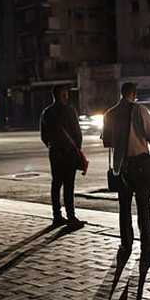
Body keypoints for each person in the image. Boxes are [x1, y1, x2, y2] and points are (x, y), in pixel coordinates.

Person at [102, 82, 150, 261]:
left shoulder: (110, 113)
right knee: (143, 206)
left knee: (124, 207)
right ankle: (147, 244)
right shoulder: (139, 110)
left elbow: (107, 141)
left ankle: (126, 244)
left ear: (122, 94)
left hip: (121, 167)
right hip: (140, 164)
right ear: (133, 94)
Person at [40, 85, 85, 229]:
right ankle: (71, 216)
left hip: (55, 153)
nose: (67, 97)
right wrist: (77, 148)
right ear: (60, 95)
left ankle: (57, 216)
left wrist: (52, 146)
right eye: (65, 94)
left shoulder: (47, 112)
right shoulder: (70, 110)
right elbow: (77, 133)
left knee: (56, 184)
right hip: (69, 153)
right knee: (69, 186)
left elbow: (44, 136)